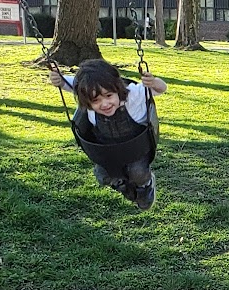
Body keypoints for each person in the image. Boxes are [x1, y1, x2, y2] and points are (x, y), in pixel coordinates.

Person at [59, 57, 167, 210]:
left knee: (137, 173)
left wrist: (154, 82)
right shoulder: (87, 93)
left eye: (109, 96)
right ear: (87, 100)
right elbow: (71, 84)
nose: (104, 104)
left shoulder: (133, 95)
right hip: (108, 150)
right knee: (102, 176)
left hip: (137, 149)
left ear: (118, 88)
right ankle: (123, 185)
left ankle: (145, 186)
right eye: (96, 100)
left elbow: (161, 89)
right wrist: (59, 80)